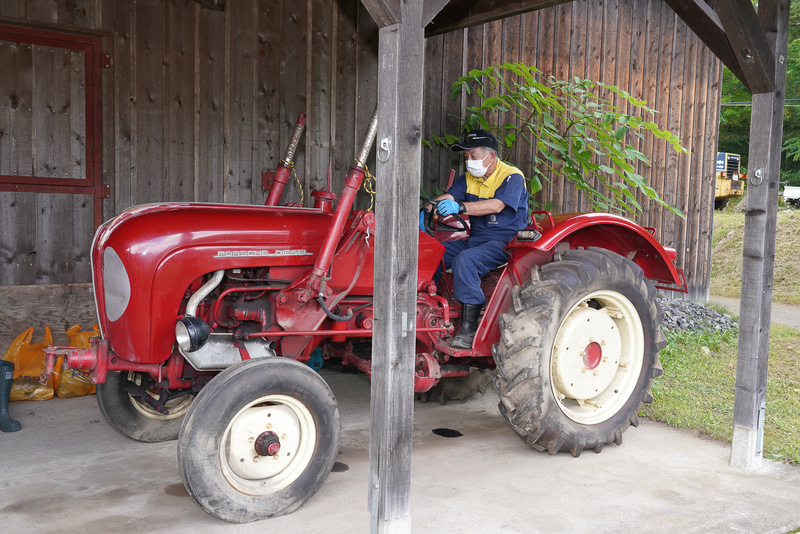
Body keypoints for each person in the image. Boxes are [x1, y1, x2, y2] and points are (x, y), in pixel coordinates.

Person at [420, 129, 529, 349]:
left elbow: (497, 205)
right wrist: (427, 209)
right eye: (466, 157)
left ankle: (469, 328)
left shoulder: (512, 176)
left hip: (505, 243)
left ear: (491, 156)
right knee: (431, 251)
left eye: (473, 156)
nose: (469, 161)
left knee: (465, 260)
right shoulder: (468, 178)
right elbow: (449, 197)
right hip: (476, 238)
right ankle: (430, 307)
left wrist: (459, 207)